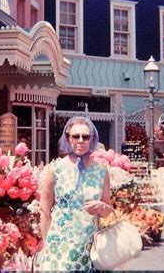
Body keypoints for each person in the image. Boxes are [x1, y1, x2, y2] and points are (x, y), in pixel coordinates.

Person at [39, 116, 114, 271]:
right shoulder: (55, 169)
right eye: (75, 136)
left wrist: (101, 207)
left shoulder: (101, 171)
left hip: (89, 247)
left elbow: (109, 211)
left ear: (92, 140)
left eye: (85, 137)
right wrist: (47, 244)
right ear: (68, 138)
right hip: (59, 247)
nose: (80, 140)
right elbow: (44, 211)